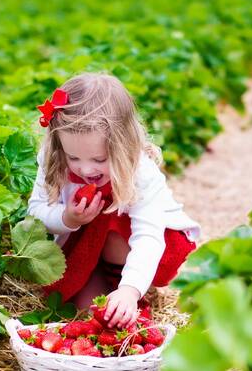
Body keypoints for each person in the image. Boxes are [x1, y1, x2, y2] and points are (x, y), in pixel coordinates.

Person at [27, 73, 200, 328]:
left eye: (99, 159)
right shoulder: (53, 158)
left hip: (149, 243)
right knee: (89, 312)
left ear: (123, 146)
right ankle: (103, 285)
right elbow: (36, 210)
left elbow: (148, 237)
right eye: (74, 157)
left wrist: (130, 290)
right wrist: (67, 218)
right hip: (84, 244)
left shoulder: (140, 172)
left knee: (110, 218)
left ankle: (127, 289)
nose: (85, 170)